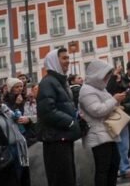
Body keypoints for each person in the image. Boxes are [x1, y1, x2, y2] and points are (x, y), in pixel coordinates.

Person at [37, 47, 81, 186]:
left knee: (68, 177)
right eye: (63, 58)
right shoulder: (48, 82)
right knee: (61, 179)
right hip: (55, 140)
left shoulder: (60, 81)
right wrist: (70, 122)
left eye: (68, 58)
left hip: (63, 137)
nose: (67, 61)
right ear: (54, 61)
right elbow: (47, 111)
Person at [79, 60, 126, 186]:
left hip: (107, 133)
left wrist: (116, 103)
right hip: (98, 135)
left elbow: (106, 106)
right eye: (105, 75)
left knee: (114, 165)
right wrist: (114, 100)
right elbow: (97, 110)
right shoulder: (86, 90)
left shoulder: (101, 89)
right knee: (103, 169)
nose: (107, 78)